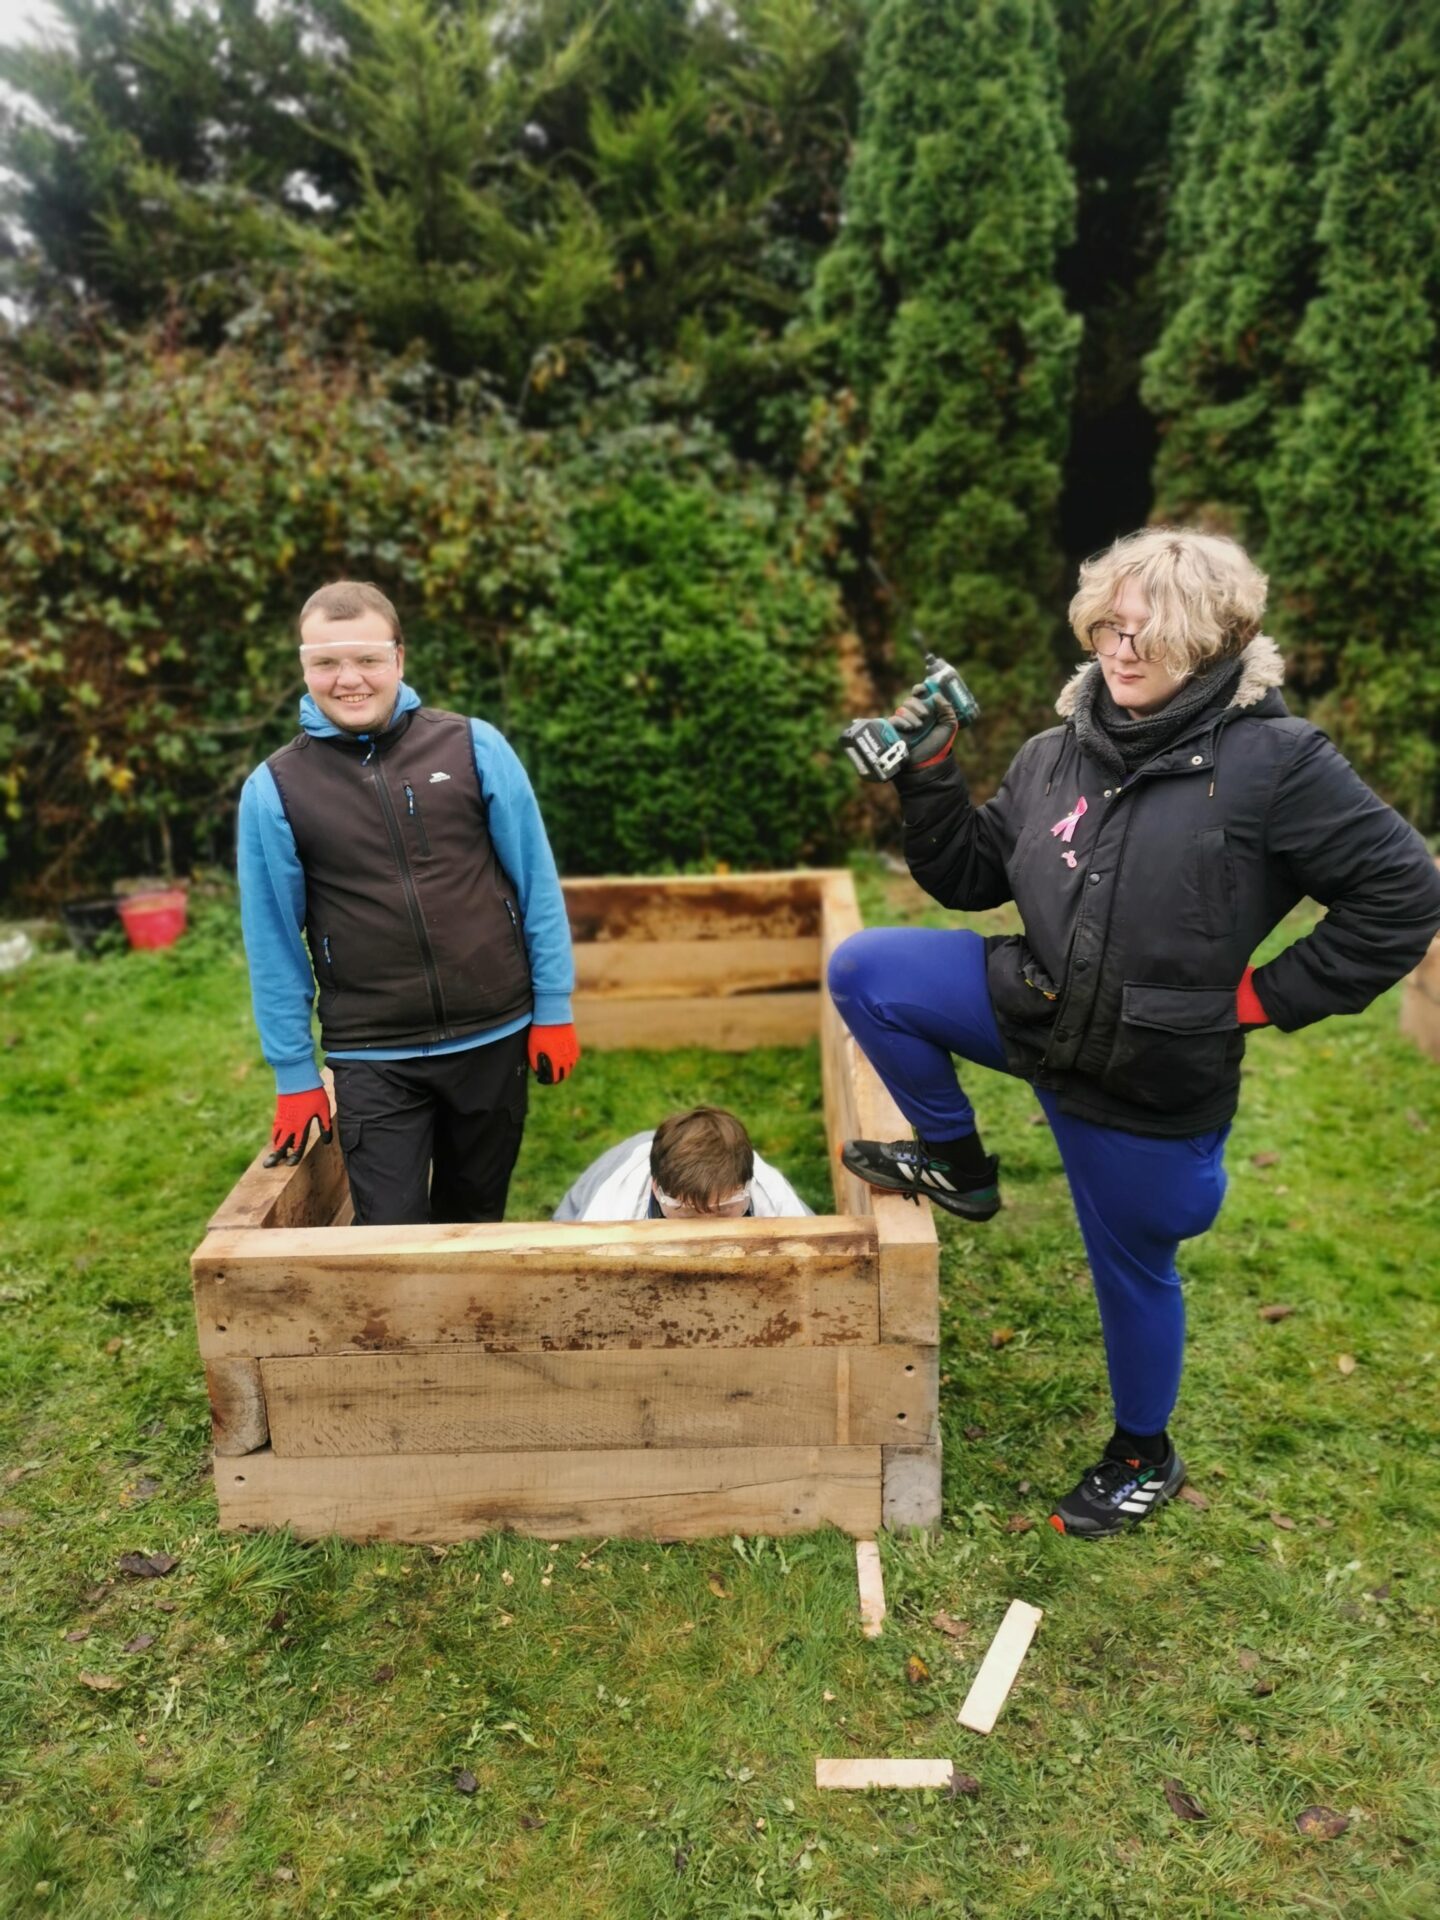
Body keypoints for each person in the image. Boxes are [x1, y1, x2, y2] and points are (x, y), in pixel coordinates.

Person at [830, 528, 1440, 1538]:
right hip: (1036, 1009)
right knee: (868, 971)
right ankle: (959, 1166)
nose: (1120, 651)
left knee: (1138, 1267)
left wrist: (1262, 999)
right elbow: (974, 874)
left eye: (1147, 634)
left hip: (1148, 1070)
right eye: (1110, 627)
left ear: (1212, 642)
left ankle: (1141, 1453)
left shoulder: (1277, 764)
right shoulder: (1056, 752)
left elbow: (1404, 894)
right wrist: (929, 774)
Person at [237, 580, 578, 1225]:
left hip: (494, 1032)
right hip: (374, 1053)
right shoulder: (275, 788)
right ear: (304, 668)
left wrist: (554, 1007)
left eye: (366, 659)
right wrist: (293, 1072)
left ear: (398, 657)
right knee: (389, 1236)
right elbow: (272, 940)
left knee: (473, 1218)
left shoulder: (474, 747)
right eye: (326, 663)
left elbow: (536, 881)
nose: (348, 680)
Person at [552, 1105, 813, 1221]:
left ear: (747, 1185)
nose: (707, 1235)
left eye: (724, 1211)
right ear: (656, 1189)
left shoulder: (778, 1204)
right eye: (688, 1214)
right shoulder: (611, 1212)